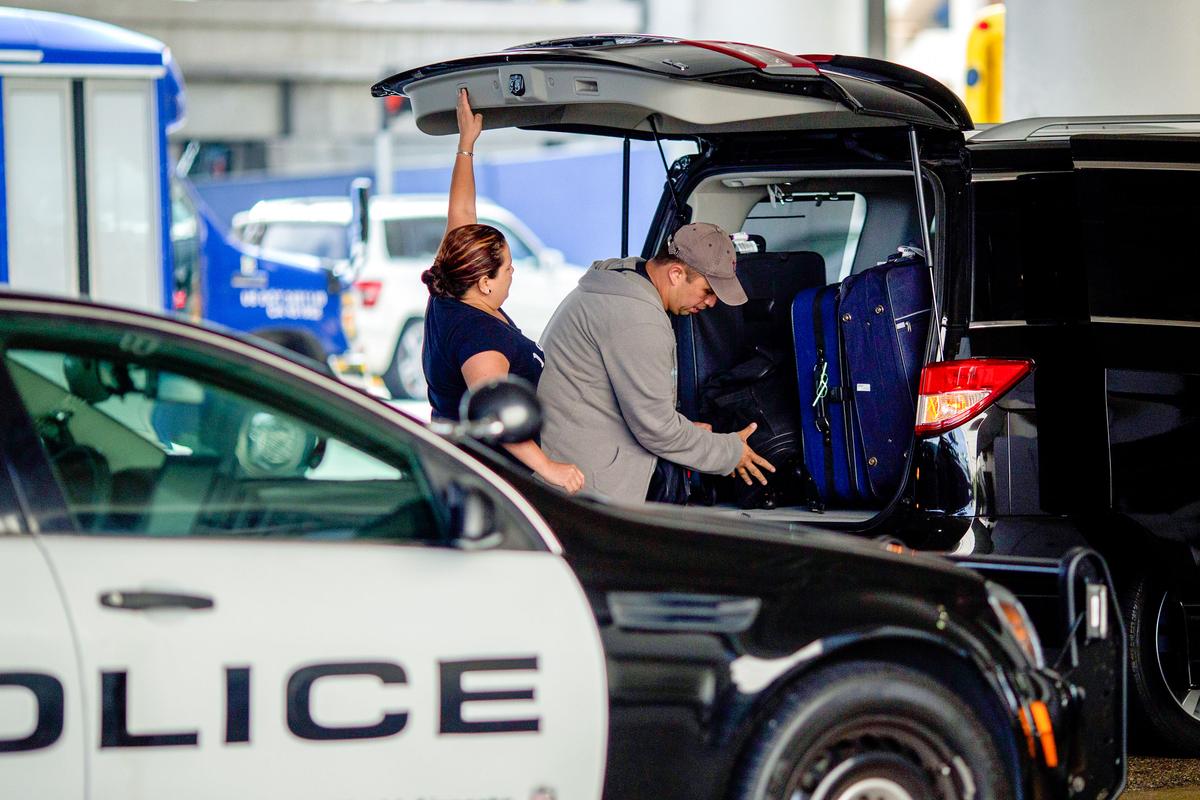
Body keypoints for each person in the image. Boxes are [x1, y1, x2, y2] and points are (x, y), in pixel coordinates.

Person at [537, 222, 775, 503]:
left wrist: (682, 426)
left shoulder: (619, 284)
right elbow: (656, 430)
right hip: (586, 489)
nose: (711, 303)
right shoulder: (637, 319)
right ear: (676, 273)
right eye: (707, 291)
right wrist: (731, 452)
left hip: (577, 465)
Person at [420, 89, 584, 494]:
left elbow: (461, 215)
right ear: (485, 281)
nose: (514, 272)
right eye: (508, 267)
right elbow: (493, 411)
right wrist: (549, 467)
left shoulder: (451, 288)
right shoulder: (480, 339)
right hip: (488, 480)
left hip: (460, 462)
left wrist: (466, 145)